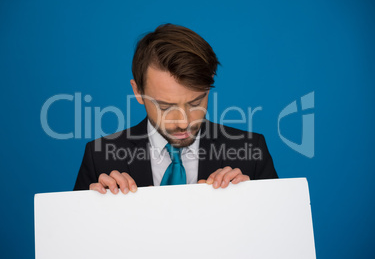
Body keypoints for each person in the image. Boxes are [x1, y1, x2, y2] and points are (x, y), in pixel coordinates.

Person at [74, 23, 278, 194]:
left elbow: (279, 234)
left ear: (209, 87)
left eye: (196, 103)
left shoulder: (252, 152)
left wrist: (251, 202)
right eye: (164, 106)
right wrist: (93, 209)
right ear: (137, 92)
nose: (183, 122)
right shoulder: (99, 157)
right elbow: (76, 238)